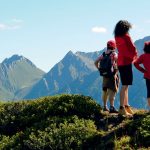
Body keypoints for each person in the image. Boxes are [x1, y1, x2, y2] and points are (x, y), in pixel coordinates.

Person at [114, 20, 138, 116]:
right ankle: (122, 107)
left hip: (120, 62)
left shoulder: (117, 37)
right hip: (126, 62)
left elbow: (122, 51)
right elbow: (132, 48)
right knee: (125, 86)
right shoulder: (126, 36)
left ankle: (126, 106)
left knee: (125, 85)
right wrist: (134, 56)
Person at [94, 40, 119, 113]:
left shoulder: (104, 54)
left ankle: (105, 106)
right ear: (114, 46)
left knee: (105, 91)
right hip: (112, 75)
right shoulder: (114, 54)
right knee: (112, 90)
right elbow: (118, 62)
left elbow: (96, 62)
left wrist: (99, 69)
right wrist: (116, 70)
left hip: (104, 75)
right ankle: (112, 107)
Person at [134, 42, 150, 109]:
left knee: (149, 92)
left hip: (147, 76)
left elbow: (135, 63)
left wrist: (142, 70)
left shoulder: (143, 56)